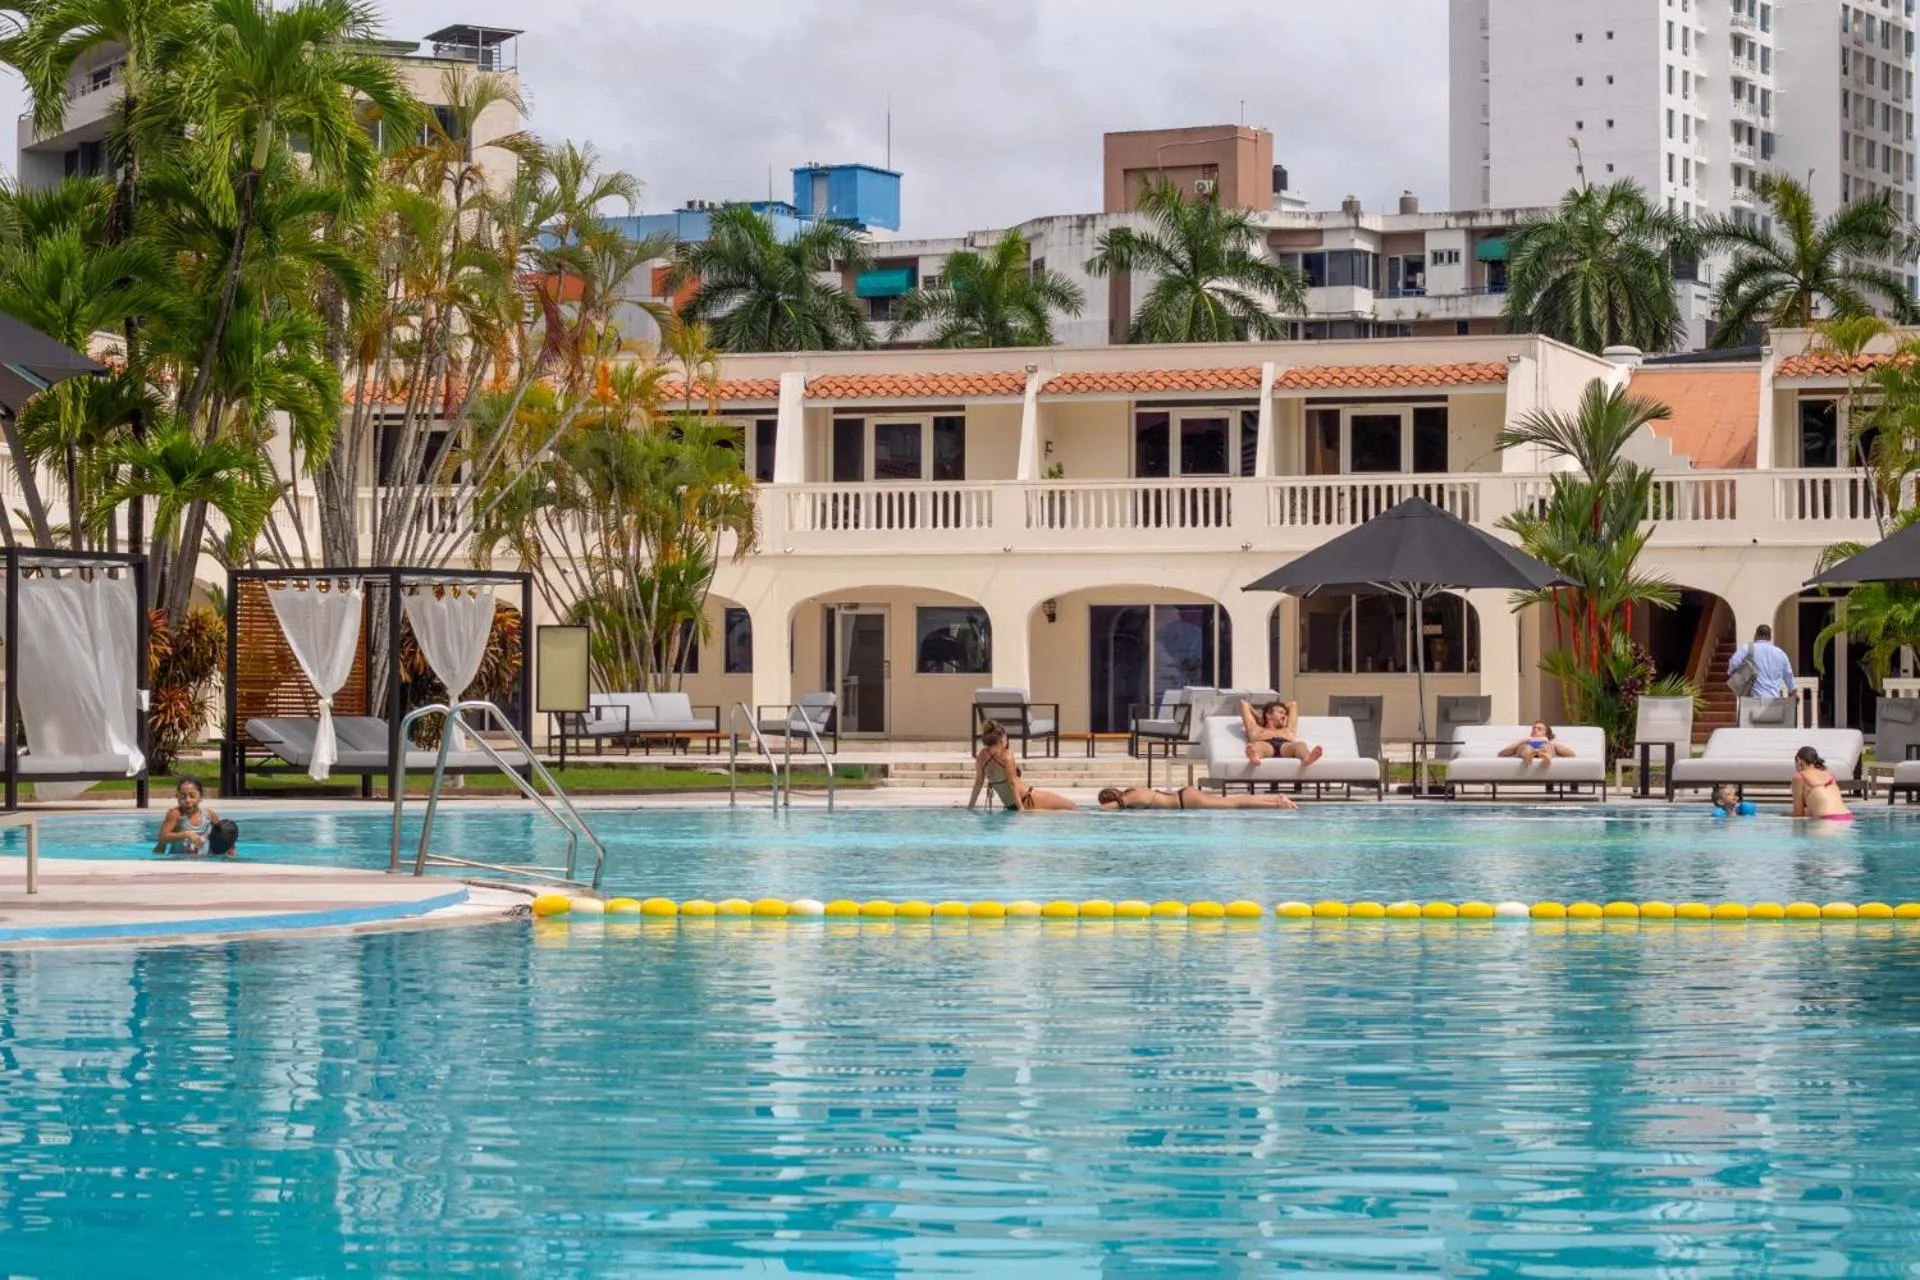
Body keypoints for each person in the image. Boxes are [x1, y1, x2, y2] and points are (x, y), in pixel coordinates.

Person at [967, 721, 1076, 813]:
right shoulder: (1006, 756)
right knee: (1071, 806)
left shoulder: (981, 757)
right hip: (1026, 798)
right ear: (1001, 739)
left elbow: (978, 784)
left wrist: (970, 808)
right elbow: (1012, 784)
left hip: (1010, 805)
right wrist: (1021, 809)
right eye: (1006, 737)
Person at [1239, 699, 1324, 768]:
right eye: (1280, 712)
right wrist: (1259, 716)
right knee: (1258, 746)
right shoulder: (1256, 729)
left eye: (1285, 714)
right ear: (1268, 714)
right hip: (1265, 744)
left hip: (1285, 745)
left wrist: (1279, 710)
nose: (1284, 716)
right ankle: (1255, 757)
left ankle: (1307, 758)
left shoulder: (1288, 729)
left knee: (1299, 744)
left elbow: (1293, 704)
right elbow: (1243, 704)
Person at [154, 777, 223, 854]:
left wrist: (230, 849)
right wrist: (186, 834)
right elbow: (162, 837)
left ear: (200, 796)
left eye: (192, 796)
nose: (187, 800)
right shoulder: (175, 815)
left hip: (204, 861)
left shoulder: (209, 815)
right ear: (177, 797)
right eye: (183, 797)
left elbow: (224, 835)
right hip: (178, 861)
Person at [1096, 785, 1296, 811]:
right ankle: (1276, 800)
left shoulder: (1130, 798)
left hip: (1186, 801)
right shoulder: (1136, 790)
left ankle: (1278, 804)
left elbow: (1106, 810)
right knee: (1231, 800)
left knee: (1233, 803)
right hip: (1183, 795)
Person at [1730, 624, 1797, 699]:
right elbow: (1789, 675)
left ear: (1756, 635)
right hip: (1773, 701)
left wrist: (1738, 678)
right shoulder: (1780, 653)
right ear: (1770, 637)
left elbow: (1733, 663)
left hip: (1751, 700)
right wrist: (1793, 692)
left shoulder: (1747, 649)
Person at [1791, 745, 1853, 821]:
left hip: (1826, 819)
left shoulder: (1799, 777)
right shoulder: (1830, 775)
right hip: (1847, 817)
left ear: (1798, 760)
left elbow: (1798, 814)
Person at [1498, 722, 1575, 766]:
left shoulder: (1549, 742)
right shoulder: (1525, 740)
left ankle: (1546, 756)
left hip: (1546, 746)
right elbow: (1501, 753)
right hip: (1527, 747)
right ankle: (1529, 755)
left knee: (1546, 746)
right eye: (1534, 728)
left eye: (1539, 729)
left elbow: (1572, 754)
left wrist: (1552, 744)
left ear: (1546, 733)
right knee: (1526, 747)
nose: (1535, 730)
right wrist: (1519, 742)